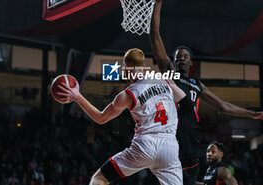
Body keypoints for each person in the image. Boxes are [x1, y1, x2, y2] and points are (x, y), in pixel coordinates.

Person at [150, 0, 263, 185]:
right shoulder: (170, 74)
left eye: (184, 56)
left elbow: (224, 107)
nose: (180, 58)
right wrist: (158, 2)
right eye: (177, 56)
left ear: (191, 62)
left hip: (191, 140)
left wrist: (253, 114)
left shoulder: (198, 85)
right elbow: (155, 36)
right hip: (171, 136)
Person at [57, 48, 188, 185]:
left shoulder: (127, 94)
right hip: (169, 146)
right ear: (143, 66)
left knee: (98, 179)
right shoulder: (165, 80)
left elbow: (101, 118)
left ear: (125, 69)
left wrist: (78, 97)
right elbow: (187, 104)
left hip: (145, 145)